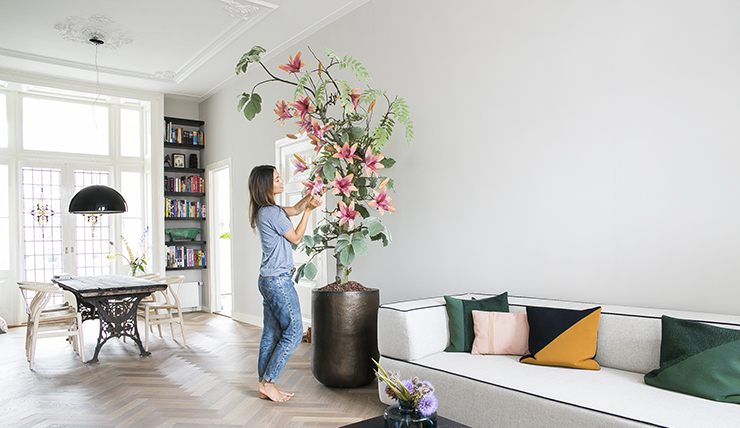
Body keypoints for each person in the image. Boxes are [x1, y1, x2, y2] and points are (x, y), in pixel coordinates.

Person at [248, 165, 322, 402]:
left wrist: (308, 199)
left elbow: (294, 209)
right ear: (265, 186)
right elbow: (296, 238)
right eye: (277, 179)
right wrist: (309, 212)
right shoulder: (273, 213)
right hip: (278, 281)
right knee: (294, 332)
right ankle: (268, 382)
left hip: (267, 280)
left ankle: (264, 384)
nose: (281, 181)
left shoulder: (265, 210)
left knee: (271, 333)